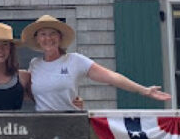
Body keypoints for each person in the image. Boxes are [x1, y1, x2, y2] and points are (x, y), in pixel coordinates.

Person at [23, 15, 171, 111]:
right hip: (43, 127)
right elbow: (32, 94)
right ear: (37, 39)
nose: (48, 38)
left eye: (52, 33)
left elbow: (111, 77)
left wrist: (143, 90)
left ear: (60, 38)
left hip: (71, 124)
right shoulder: (34, 65)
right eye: (43, 34)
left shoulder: (75, 60)